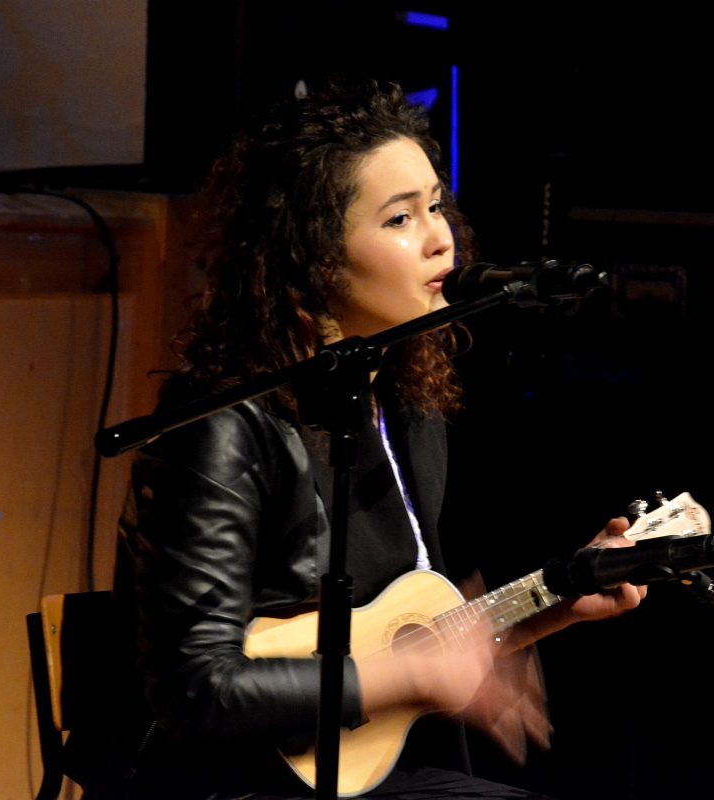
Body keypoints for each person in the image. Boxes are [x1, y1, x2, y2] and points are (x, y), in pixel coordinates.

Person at [75, 78, 646, 800]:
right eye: (401, 218)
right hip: (230, 784)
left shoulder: (406, 405)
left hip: (362, 772)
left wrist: (558, 603)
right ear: (314, 256)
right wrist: (402, 676)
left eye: (435, 206)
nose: (441, 238)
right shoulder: (221, 425)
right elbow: (197, 694)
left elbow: (409, 644)